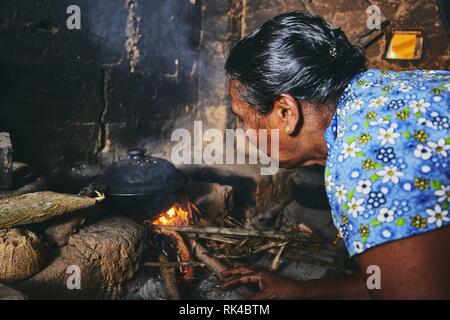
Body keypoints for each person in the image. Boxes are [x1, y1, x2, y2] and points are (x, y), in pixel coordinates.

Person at [221, 11, 450, 299]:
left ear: (285, 112)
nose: (243, 132)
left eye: (243, 118)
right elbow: (397, 278)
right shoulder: (379, 91)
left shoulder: (363, 162)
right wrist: (304, 292)